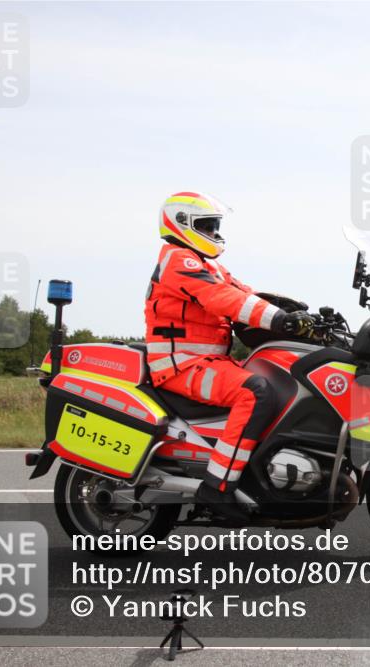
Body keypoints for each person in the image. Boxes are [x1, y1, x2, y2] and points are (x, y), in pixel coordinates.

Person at [145, 191, 314, 519]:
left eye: (213, 225)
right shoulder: (179, 260)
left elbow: (244, 293)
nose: (213, 232)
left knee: (273, 381)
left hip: (206, 363)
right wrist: (279, 320)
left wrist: (297, 311)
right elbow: (223, 299)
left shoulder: (208, 264)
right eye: (206, 226)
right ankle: (217, 486)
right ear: (183, 224)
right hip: (182, 365)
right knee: (255, 392)